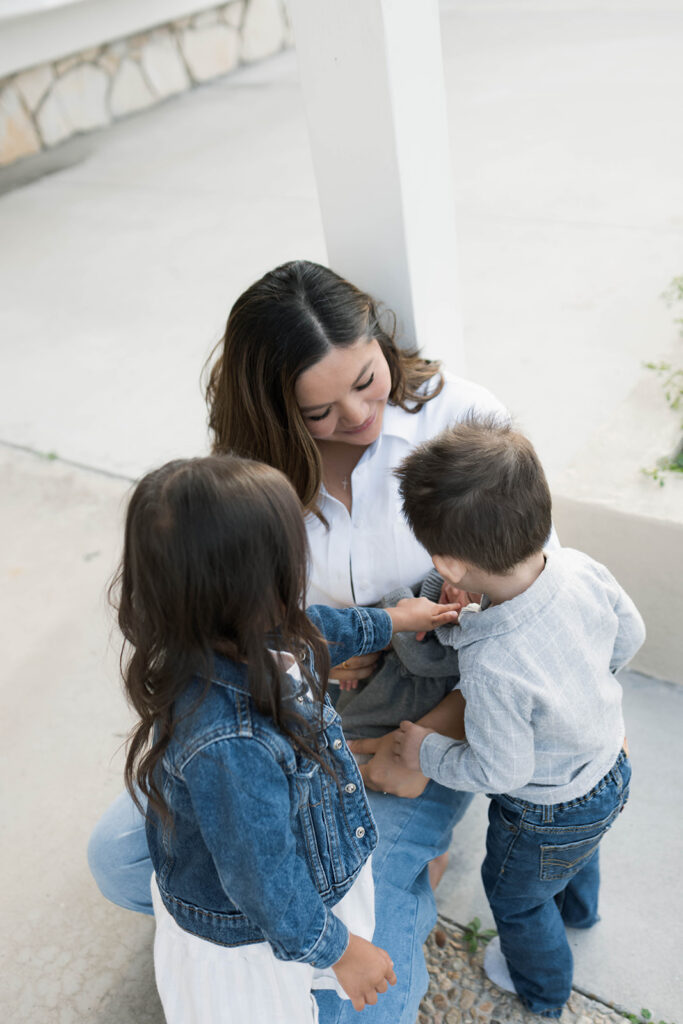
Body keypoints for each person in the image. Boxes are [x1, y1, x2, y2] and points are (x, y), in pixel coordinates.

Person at [88, 259, 510, 1023]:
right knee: (122, 862)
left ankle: (398, 864)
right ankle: (331, 910)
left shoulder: (463, 422)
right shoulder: (242, 490)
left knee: (367, 1001)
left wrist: (413, 736)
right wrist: (314, 938)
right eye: (319, 412)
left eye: (367, 379)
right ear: (273, 412)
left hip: (411, 719)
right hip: (290, 715)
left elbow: (522, 609)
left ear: (379, 342)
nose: (357, 416)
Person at [114, 453, 462, 1023]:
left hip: (305, 893)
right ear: (257, 583)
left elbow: (318, 630)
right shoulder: (229, 744)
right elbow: (262, 879)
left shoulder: (251, 631)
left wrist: (398, 619)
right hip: (248, 942)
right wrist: (341, 951)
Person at [393, 416, 645, 1017]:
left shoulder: (491, 662)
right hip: (611, 766)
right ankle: (582, 914)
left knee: (519, 901)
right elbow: (629, 635)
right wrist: (585, 690)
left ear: (447, 565)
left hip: (543, 813)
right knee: (583, 851)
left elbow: (502, 770)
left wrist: (423, 751)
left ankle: (543, 990)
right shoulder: (581, 567)